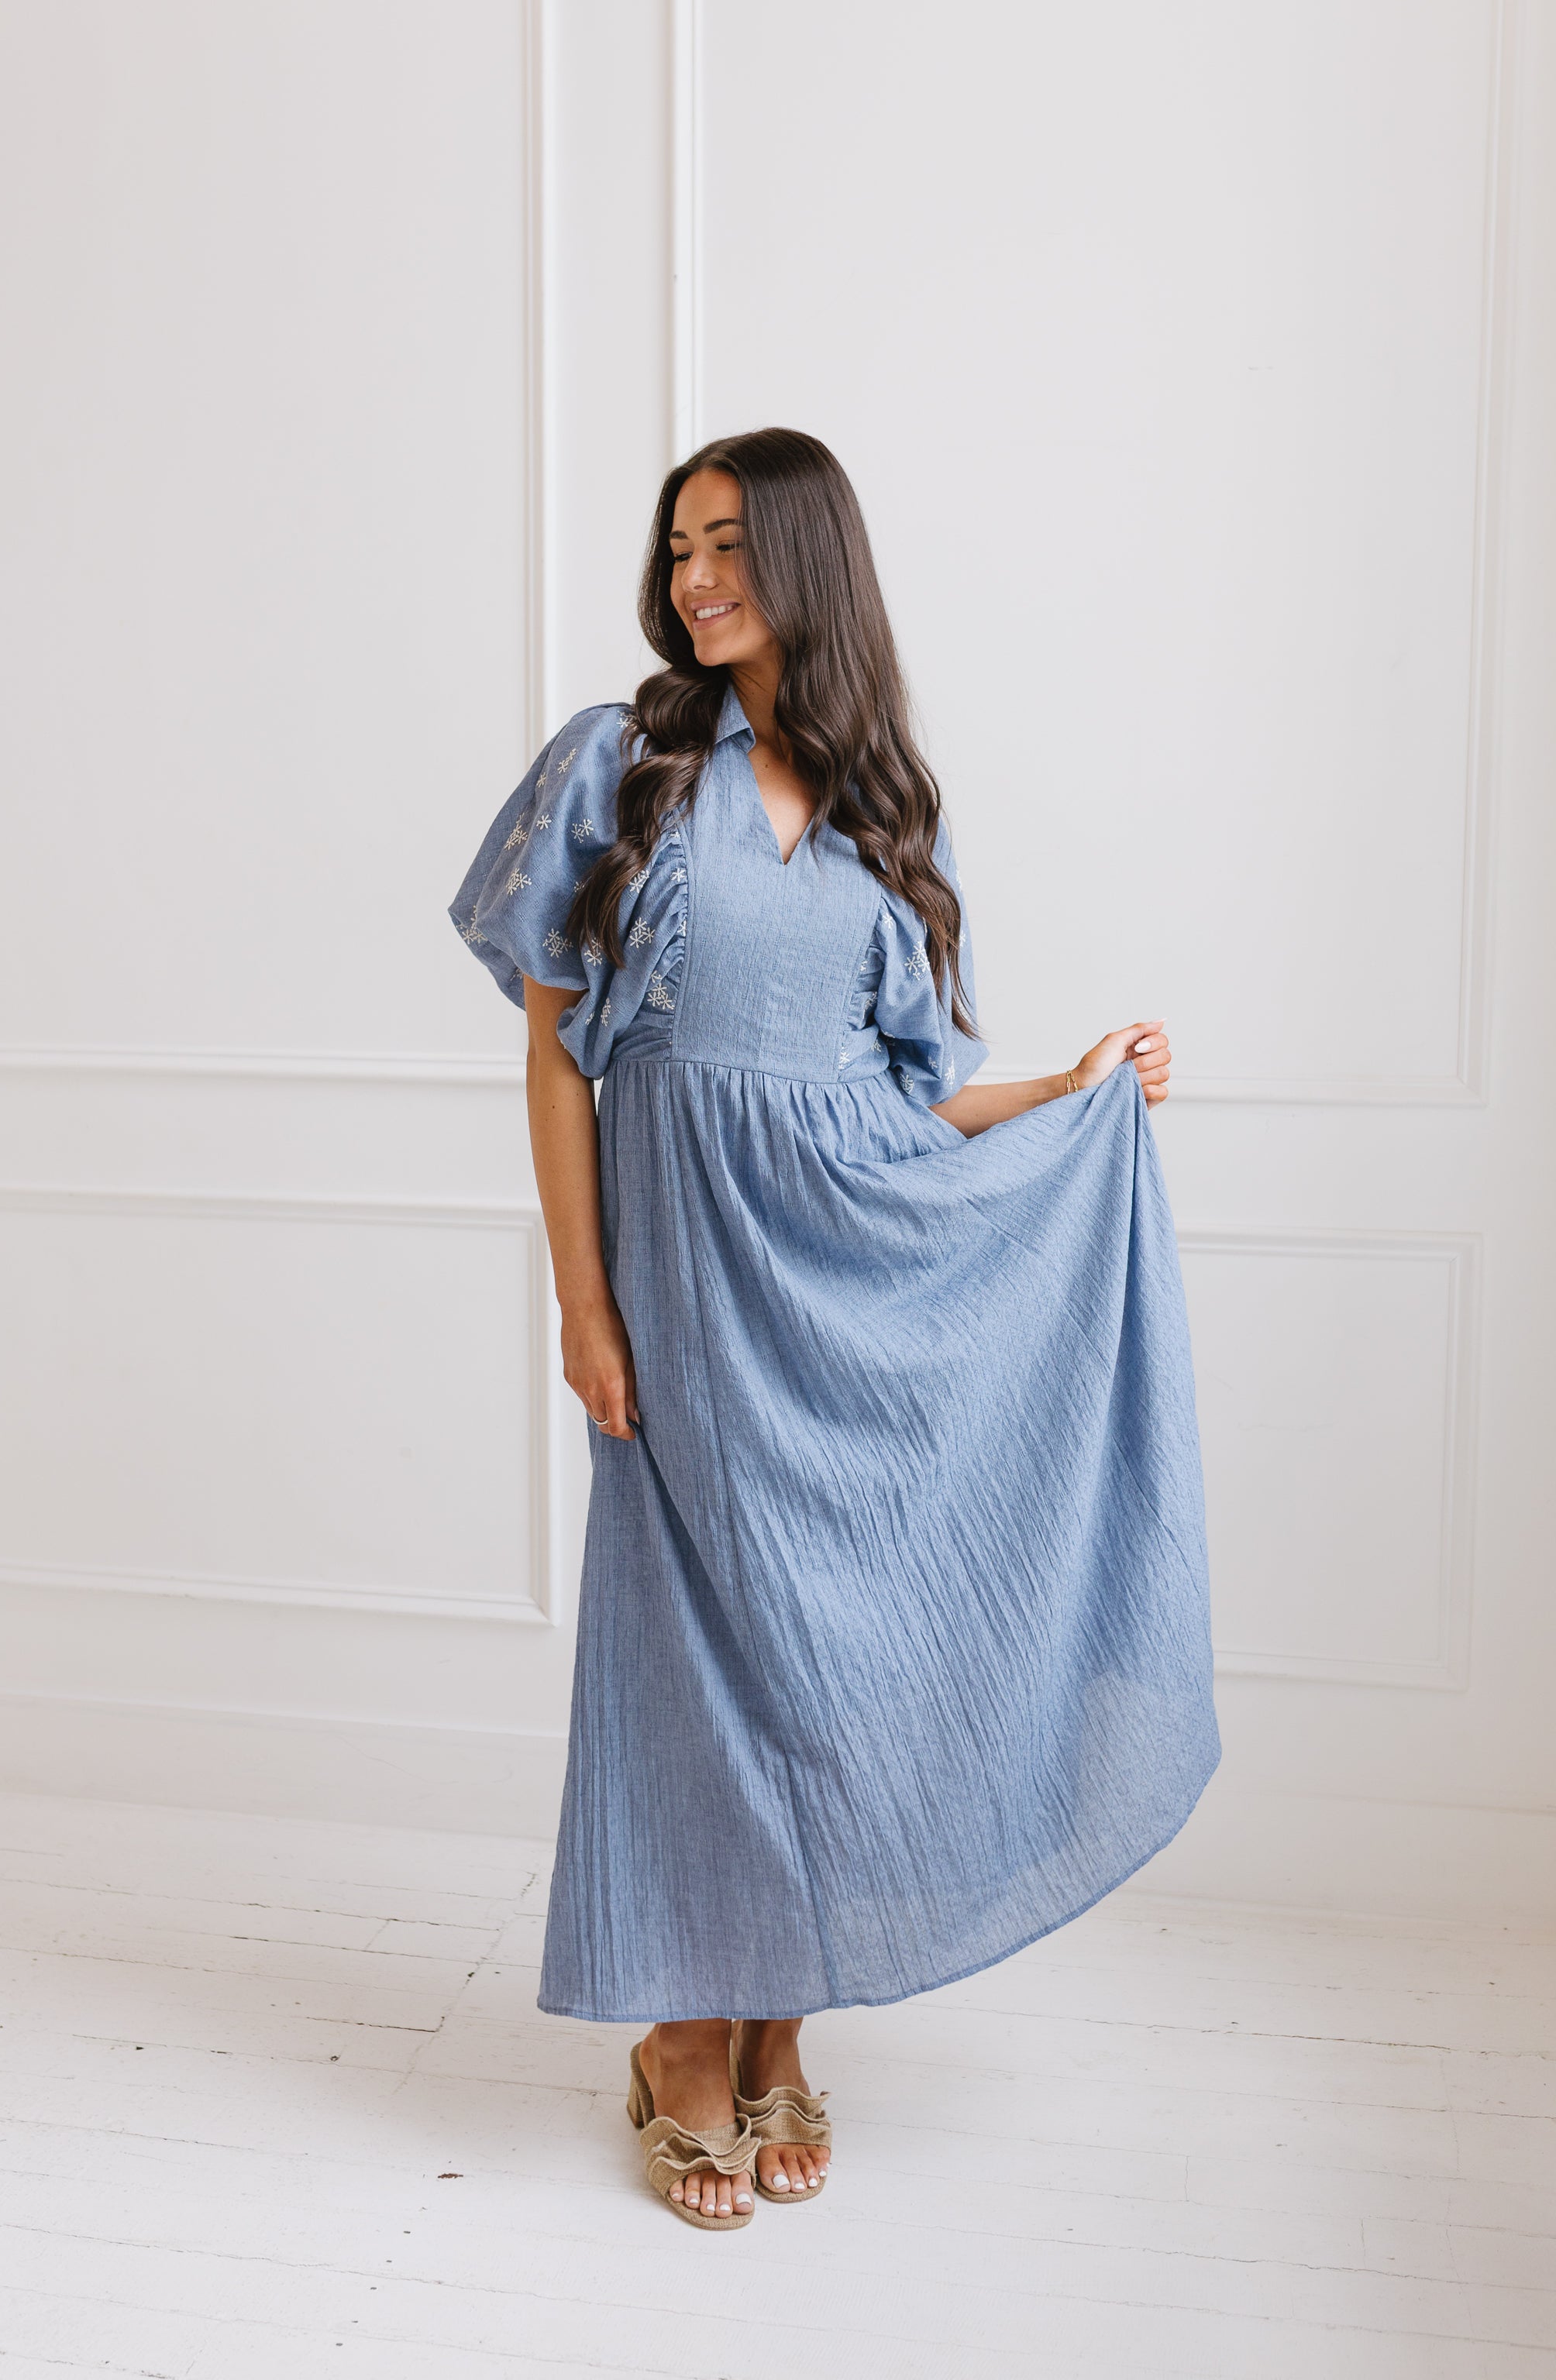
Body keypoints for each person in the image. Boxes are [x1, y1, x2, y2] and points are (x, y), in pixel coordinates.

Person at [451, 427, 1218, 2230]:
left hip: (846, 1282)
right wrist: (582, 1299)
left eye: (728, 543)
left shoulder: (887, 811)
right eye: (679, 547)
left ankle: (779, 2021)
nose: (694, 575)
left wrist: (1072, 1091)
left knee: (838, 1656)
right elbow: (558, 1059)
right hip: (682, 1289)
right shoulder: (621, 763)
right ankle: (681, 2039)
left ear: (807, 559)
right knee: (686, 1651)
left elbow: (911, 1098)